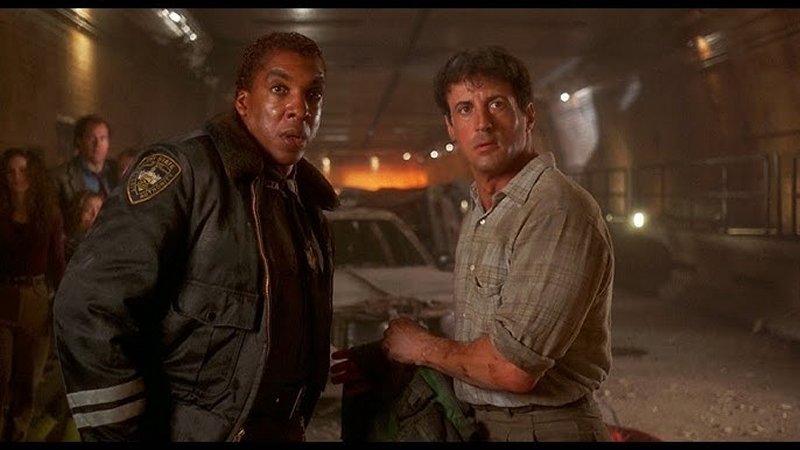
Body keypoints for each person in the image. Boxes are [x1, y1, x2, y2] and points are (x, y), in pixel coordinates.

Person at [53, 31, 338, 442]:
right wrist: (121, 436)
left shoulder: (307, 206)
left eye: (313, 94)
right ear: (243, 102)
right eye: (280, 89)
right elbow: (88, 306)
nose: (300, 108)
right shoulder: (184, 173)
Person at [333, 46, 615, 442]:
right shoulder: (484, 210)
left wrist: (420, 347)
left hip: (545, 428)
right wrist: (389, 357)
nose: (482, 123)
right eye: (465, 109)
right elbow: (479, 335)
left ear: (528, 116)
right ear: (451, 126)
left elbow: (513, 369)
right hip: (486, 425)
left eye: (496, 104)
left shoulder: (555, 209)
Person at [0, 147, 66, 441]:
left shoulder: (49, 214)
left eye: (23, 170)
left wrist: (64, 303)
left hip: (36, 299)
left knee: (28, 383)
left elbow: (57, 262)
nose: (17, 177)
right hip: (3, 297)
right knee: (1, 377)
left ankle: (17, 436)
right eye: (10, 171)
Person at [51, 114, 119, 216]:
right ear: (79, 141)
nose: (97, 144)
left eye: (102, 138)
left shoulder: (118, 170)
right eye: (91, 138)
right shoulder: (60, 177)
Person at [63, 190, 104, 262]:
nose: (95, 215)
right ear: (77, 213)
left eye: (99, 210)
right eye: (87, 210)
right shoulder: (71, 249)